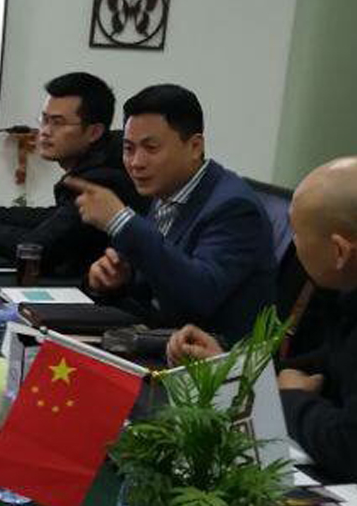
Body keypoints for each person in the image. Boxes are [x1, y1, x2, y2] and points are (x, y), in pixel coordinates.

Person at [167, 156, 357, 506]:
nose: (291, 242)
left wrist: (290, 398)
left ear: (339, 252)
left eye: (295, 234)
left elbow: (355, 449)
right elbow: (334, 361)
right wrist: (234, 367)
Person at [65, 83, 275, 343]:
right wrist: (115, 281)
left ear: (195, 146)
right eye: (128, 148)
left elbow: (199, 295)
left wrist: (121, 220)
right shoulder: (166, 189)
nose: (136, 162)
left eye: (151, 148)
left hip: (207, 357)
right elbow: (158, 281)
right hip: (156, 338)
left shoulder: (234, 208)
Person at [0, 72, 148, 277]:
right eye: (44, 119)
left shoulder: (103, 180)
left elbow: (35, 249)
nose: (45, 131)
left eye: (58, 122)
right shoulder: (101, 160)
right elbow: (54, 219)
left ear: (94, 132)